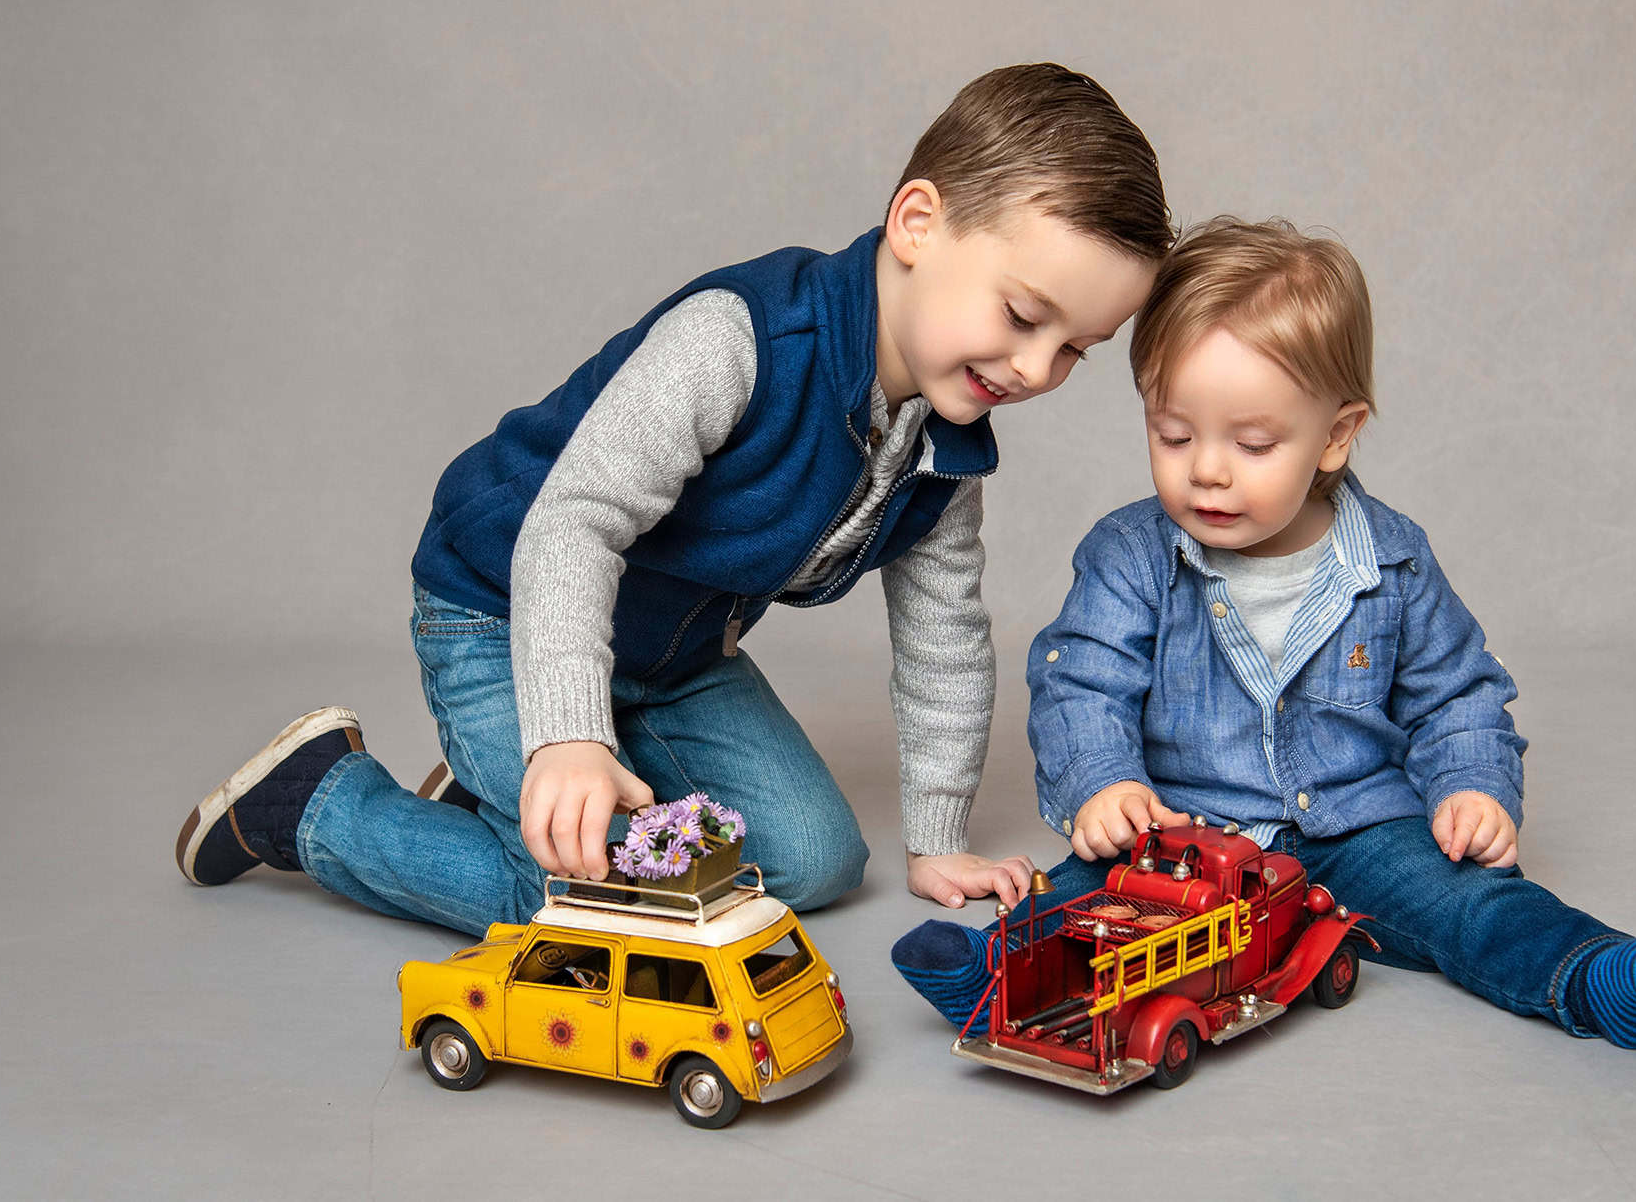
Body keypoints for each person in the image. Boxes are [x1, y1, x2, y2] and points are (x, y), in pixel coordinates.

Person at [175, 63, 1171, 933]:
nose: (1036, 368)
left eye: (1073, 350)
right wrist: (567, 732)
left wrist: (938, 837)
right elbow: (572, 524)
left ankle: (511, 792)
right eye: (1022, 315)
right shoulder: (735, 342)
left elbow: (944, 640)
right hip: (505, 607)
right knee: (601, 908)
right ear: (917, 224)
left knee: (813, 867)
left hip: (672, 658)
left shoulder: (945, 449)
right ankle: (318, 801)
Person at [892, 217, 1636, 1048]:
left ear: (1336, 434)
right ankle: (993, 978)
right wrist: (1102, 781)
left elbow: (1457, 690)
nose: (1206, 468)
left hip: (1359, 830)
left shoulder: (1391, 560)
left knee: (1470, 896)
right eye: (1173, 433)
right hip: (1182, 834)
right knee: (1083, 898)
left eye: (1252, 442)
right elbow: (1081, 679)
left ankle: (1593, 973)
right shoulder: (1130, 555)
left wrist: (1473, 785)